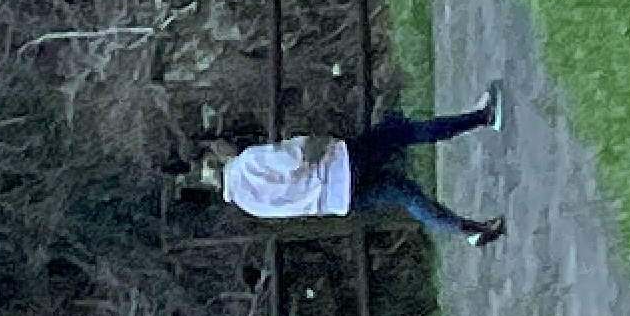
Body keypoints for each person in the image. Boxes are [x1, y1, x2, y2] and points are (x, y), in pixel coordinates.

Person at [207, 90, 505, 243]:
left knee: (406, 196)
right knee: (404, 134)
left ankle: (470, 229)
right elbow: (298, 156)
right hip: (339, 164)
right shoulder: (247, 162)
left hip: (339, 200)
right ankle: (482, 117)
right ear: (220, 159)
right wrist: (321, 139)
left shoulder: (248, 204)